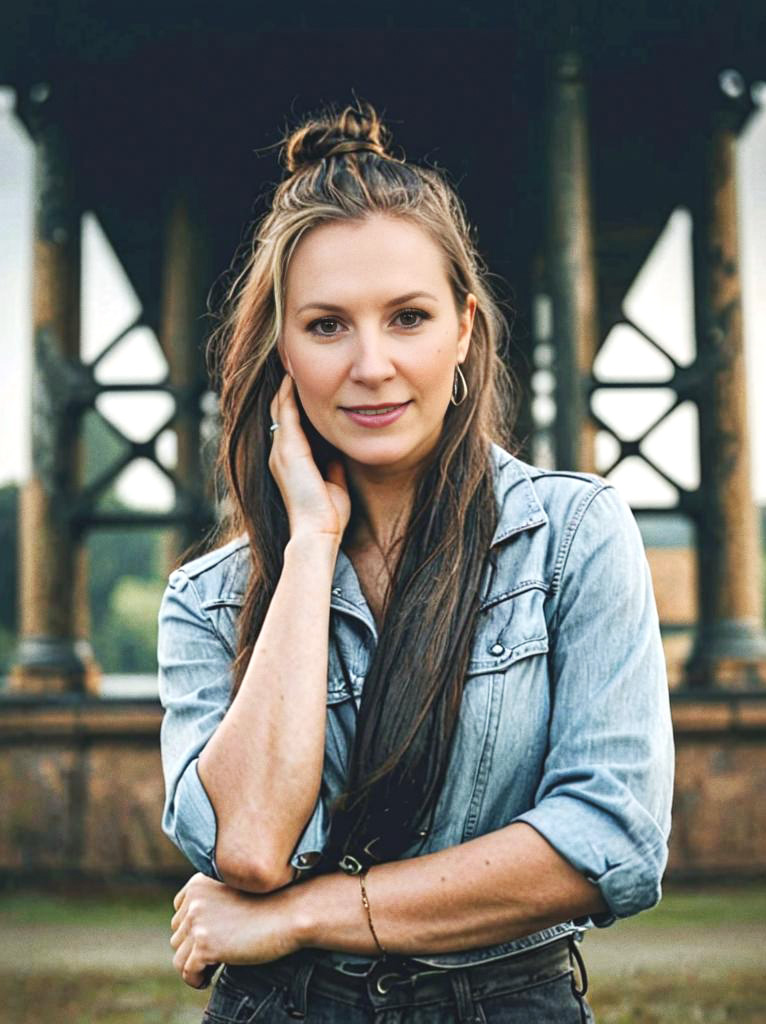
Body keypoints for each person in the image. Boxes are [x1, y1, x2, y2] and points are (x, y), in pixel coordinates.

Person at [159, 101, 675, 1024]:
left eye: (408, 317)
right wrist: (311, 546)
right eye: (325, 326)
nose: (372, 365)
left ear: (465, 328)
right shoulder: (207, 600)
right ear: (280, 349)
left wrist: (305, 915)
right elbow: (247, 848)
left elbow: (609, 840)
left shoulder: (574, 536)